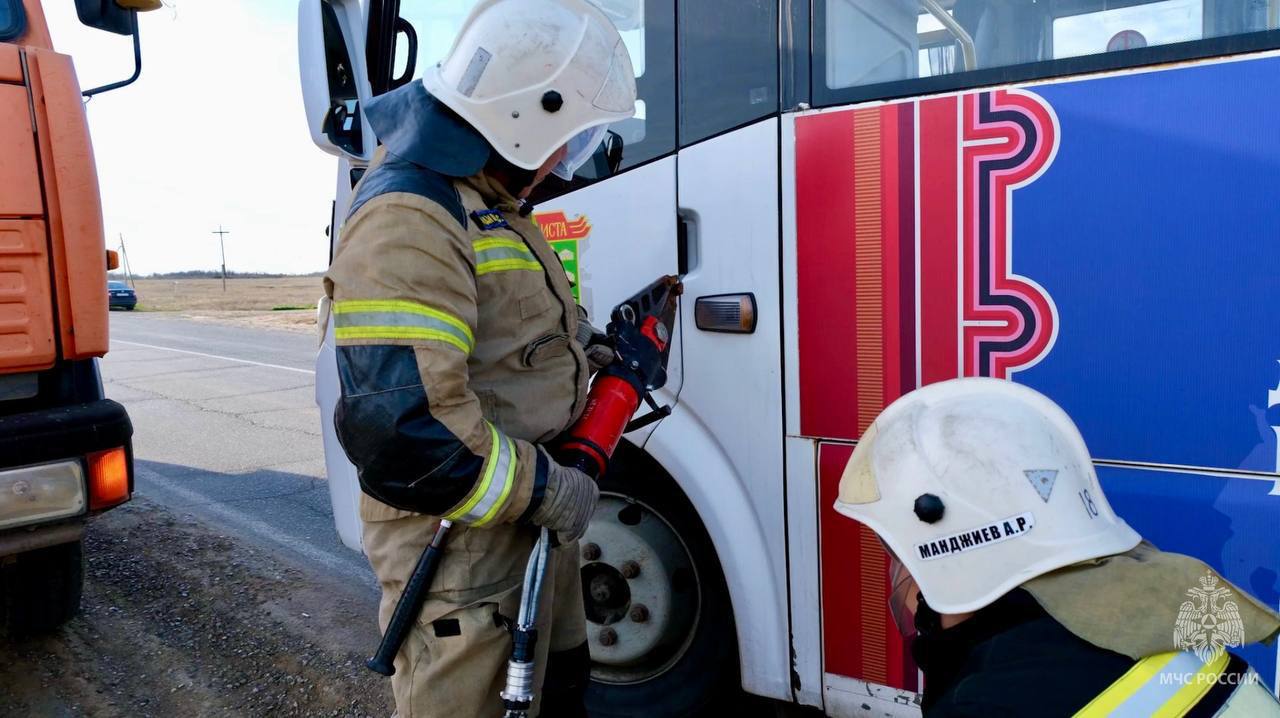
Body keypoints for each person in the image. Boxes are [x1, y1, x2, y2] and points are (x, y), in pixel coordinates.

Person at [321, 1, 636, 715]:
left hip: (523, 529)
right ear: (525, 120)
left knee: (559, 695)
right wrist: (547, 490)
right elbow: (409, 437)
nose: (563, 161)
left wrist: (585, 348)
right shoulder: (410, 218)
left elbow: (504, 325)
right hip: (461, 554)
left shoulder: (486, 203)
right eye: (566, 140)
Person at [835, 378, 1280, 717]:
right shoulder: (1165, 625)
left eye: (902, 556)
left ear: (954, 563)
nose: (901, 578)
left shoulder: (985, 704)